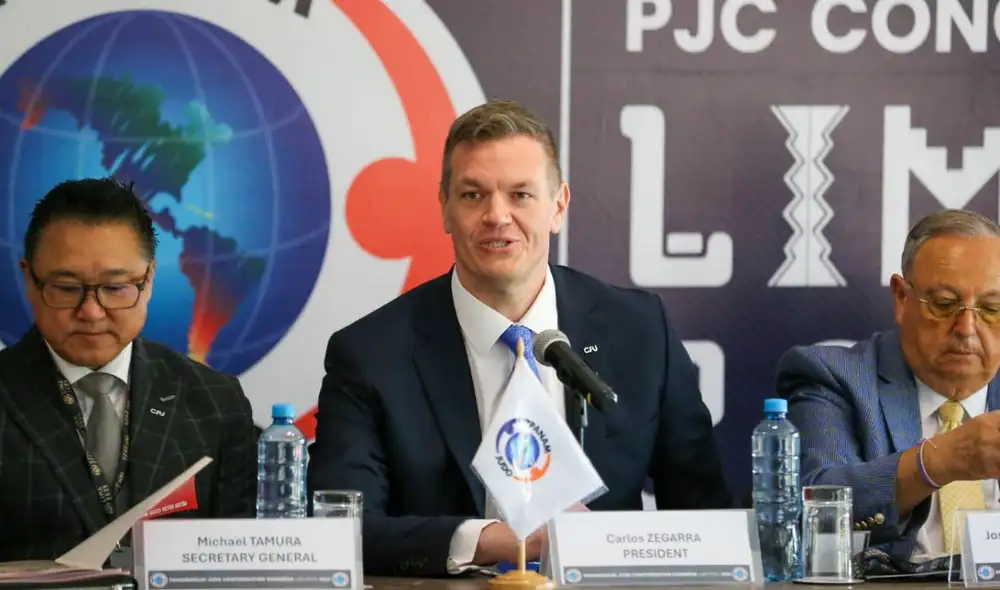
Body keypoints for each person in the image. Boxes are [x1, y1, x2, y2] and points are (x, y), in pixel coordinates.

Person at [308, 99, 731, 576]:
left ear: (559, 206)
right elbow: (342, 528)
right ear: (444, 208)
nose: (497, 216)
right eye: (473, 195)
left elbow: (704, 516)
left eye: (521, 195)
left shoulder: (639, 331)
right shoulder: (370, 353)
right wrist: (490, 540)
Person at [0, 178, 257, 560]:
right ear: (28, 278)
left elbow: (241, 562)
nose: (91, 312)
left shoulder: (215, 402)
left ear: (149, 279)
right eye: (67, 288)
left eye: (116, 287)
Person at [776, 209, 1000, 562]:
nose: (967, 327)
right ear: (901, 297)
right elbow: (809, 506)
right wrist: (940, 461)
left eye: (992, 308)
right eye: (944, 305)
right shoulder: (836, 376)